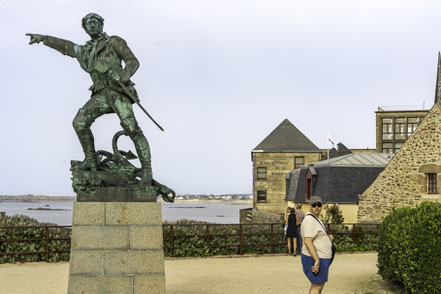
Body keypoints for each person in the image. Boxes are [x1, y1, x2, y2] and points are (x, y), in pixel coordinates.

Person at [26, 13, 152, 185]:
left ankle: (147, 170)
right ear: (84, 28)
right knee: (79, 123)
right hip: (101, 95)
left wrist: (123, 74)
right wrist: (44, 39)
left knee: (132, 128)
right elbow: (66, 46)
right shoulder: (85, 51)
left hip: (117, 92)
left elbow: (133, 61)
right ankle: (91, 160)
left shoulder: (114, 41)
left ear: (101, 24)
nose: (92, 25)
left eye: (95, 22)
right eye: (88, 23)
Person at [301, 196, 334, 294]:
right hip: (315, 258)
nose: (317, 207)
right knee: (316, 285)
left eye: (319, 205)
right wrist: (317, 260)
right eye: (314, 205)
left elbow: (315, 236)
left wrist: (327, 238)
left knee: (319, 285)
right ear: (310, 206)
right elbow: (307, 241)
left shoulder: (315, 219)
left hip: (321, 257)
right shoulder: (310, 220)